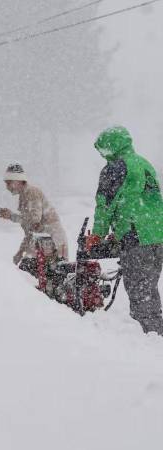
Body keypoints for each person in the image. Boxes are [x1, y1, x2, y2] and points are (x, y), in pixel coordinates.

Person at [85, 126, 163, 335]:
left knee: (140, 295)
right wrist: (119, 230)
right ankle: (155, 332)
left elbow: (105, 204)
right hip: (157, 236)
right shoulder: (143, 163)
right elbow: (137, 201)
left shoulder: (116, 167)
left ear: (112, 146)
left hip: (137, 237)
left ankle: (150, 340)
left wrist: (97, 235)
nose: (103, 155)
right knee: (148, 290)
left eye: (103, 150)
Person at [0, 163, 69, 265]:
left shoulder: (32, 193)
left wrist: (12, 216)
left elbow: (34, 221)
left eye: (9, 183)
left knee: (32, 270)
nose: (7, 187)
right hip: (42, 242)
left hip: (52, 241)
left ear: (18, 181)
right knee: (29, 270)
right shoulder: (23, 196)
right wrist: (20, 252)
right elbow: (31, 231)